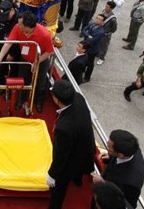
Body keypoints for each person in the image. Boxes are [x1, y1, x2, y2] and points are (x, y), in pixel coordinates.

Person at [46, 80, 96, 208]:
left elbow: (61, 155)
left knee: (59, 188)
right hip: (85, 148)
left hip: (71, 159)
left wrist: (52, 175)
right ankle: (77, 180)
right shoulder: (79, 98)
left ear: (57, 100)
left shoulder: (64, 128)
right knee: (77, 172)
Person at [0, 11, 54, 112]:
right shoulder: (17, 28)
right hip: (25, 60)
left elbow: (49, 52)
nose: (18, 25)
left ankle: (38, 101)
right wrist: (0, 57)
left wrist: (37, 62)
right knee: (23, 80)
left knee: (40, 82)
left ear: (28, 26)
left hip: (40, 61)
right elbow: (8, 44)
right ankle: (20, 100)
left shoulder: (44, 34)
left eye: (20, 24)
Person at [92, 130, 144, 209]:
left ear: (120, 155)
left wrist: (103, 183)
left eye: (110, 148)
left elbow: (125, 203)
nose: (107, 145)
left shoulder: (131, 183)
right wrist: (110, 156)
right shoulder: (131, 149)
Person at [80, 14, 106, 81]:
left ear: (102, 22)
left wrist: (87, 35)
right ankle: (82, 71)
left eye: (99, 19)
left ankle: (87, 78)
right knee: (84, 60)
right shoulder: (92, 24)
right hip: (86, 46)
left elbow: (92, 40)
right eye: (97, 18)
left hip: (92, 49)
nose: (97, 20)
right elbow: (83, 30)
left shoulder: (100, 32)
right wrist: (88, 35)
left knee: (90, 64)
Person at [96, 1, 118, 66]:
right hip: (100, 31)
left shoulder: (113, 19)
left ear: (111, 8)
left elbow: (114, 29)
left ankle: (102, 58)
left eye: (107, 7)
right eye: (106, 6)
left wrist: (108, 32)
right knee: (98, 43)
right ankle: (97, 53)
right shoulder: (104, 12)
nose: (105, 8)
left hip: (106, 34)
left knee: (104, 46)